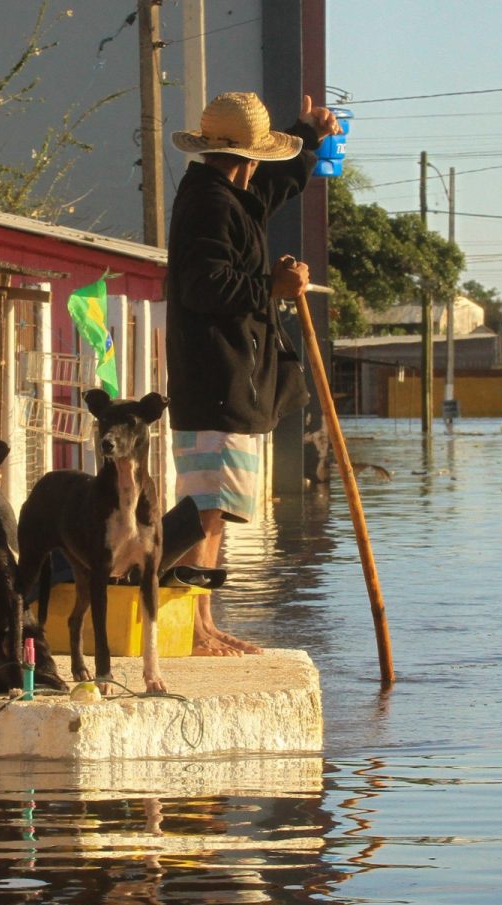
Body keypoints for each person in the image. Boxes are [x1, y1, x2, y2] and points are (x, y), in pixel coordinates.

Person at [165, 90, 339, 657]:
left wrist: (308, 136)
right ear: (248, 157)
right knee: (204, 511)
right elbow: (204, 286)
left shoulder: (229, 194)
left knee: (216, 510)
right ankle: (192, 629)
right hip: (214, 377)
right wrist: (272, 287)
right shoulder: (210, 205)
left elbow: (273, 188)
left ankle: (203, 622)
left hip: (230, 378)